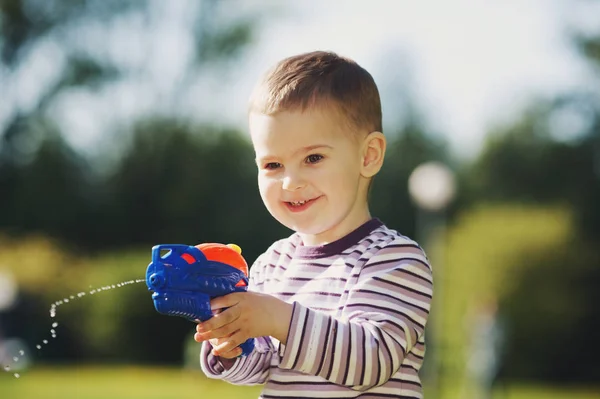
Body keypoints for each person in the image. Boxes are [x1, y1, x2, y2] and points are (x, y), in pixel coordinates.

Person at [194, 50, 433, 398]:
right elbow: (261, 366)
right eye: (273, 165)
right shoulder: (272, 263)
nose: (290, 182)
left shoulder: (396, 259)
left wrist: (279, 318)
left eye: (313, 158)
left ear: (368, 156)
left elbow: (371, 361)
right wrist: (230, 343)